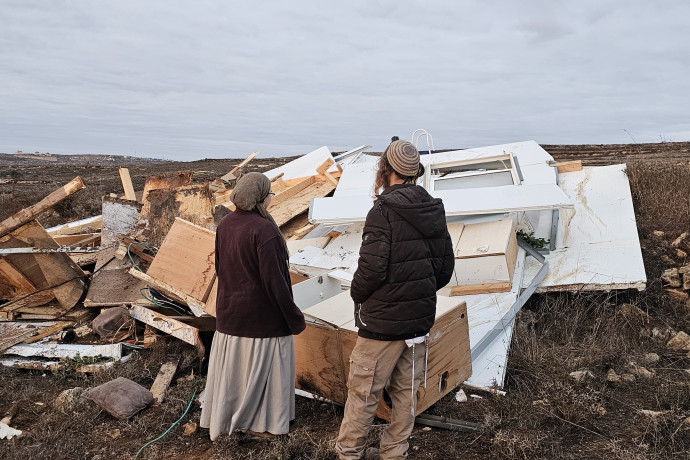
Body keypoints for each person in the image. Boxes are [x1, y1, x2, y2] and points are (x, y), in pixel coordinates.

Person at [336, 140, 455, 460]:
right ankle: (394, 452)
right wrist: (419, 293)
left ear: (385, 171)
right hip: (418, 320)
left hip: (383, 324)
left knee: (363, 393)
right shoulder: (433, 208)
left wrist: (357, 295)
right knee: (406, 393)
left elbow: (371, 269)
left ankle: (349, 453)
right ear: (415, 173)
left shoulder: (383, 211)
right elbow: (444, 269)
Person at [200, 172, 306, 441]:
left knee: (235, 376)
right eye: (270, 194)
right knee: (266, 375)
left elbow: (222, 270)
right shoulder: (264, 230)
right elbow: (276, 283)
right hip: (262, 321)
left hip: (231, 317)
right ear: (260, 198)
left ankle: (226, 418)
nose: (271, 199)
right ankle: (263, 423)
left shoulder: (225, 225)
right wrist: (293, 318)